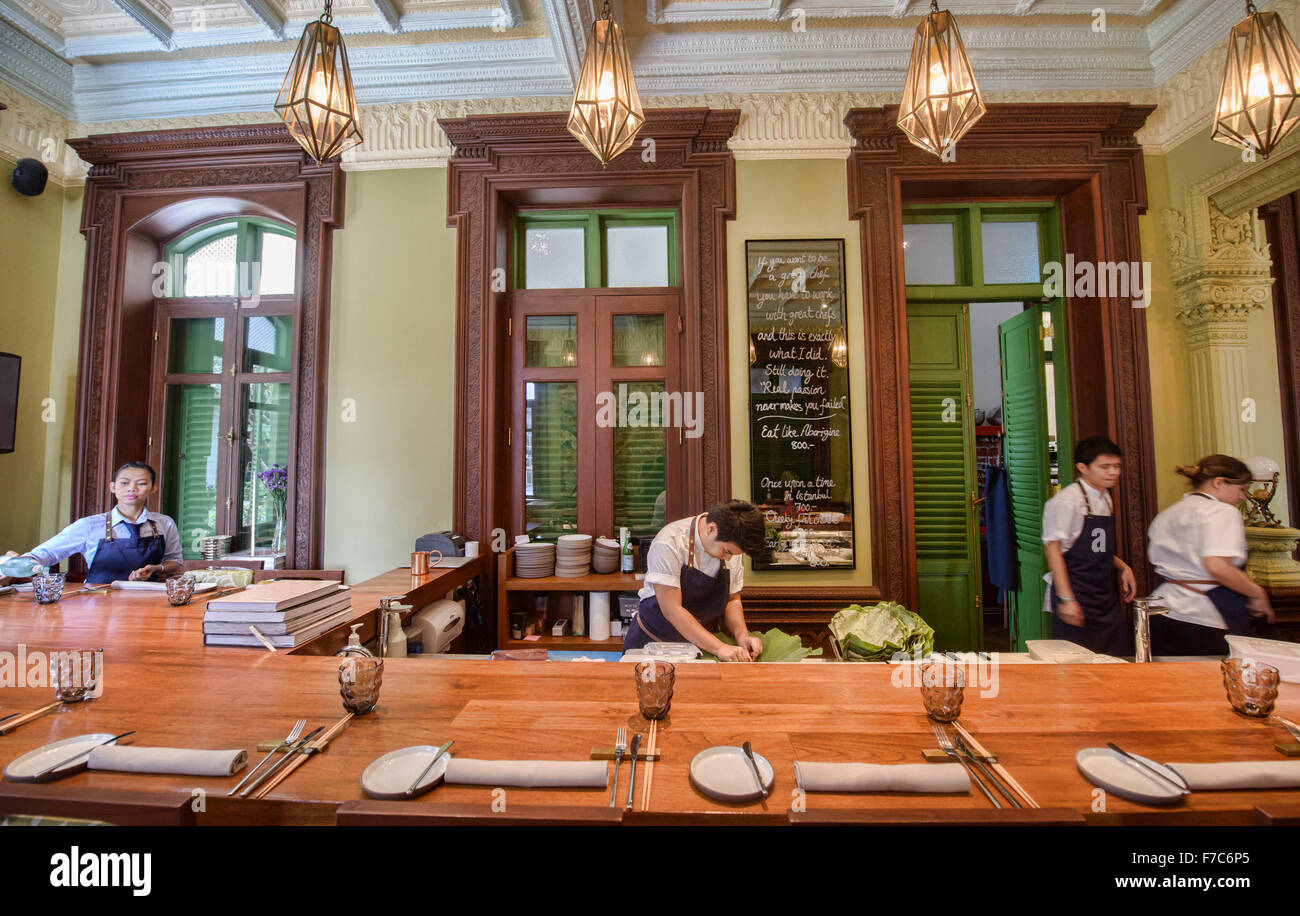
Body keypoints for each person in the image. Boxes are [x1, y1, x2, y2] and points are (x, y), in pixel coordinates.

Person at [1147, 455, 1274, 656]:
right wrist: (1257, 593)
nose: (1242, 497)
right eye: (1241, 489)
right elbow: (1216, 565)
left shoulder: (1169, 513)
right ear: (1218, 482)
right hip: (1203, 614)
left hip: (1161, 609)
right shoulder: (1221, 511)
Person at [623, 499, 766, 661]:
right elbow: (672, 609)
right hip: (654, 642)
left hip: (703, 646)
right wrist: (720, 647)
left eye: (733, 554)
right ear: (712, 528)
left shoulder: (731, 547)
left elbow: (732, 600)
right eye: (726, 551)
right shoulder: (669, 542)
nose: (728, 557)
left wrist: (742, 636)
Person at [1, 461, 183, 586]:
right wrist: (11, 566)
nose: (132, 489)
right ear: (112, 487)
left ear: (153, 488)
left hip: (148, 603)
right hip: (97, 603)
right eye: (124, 483)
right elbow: (46, 554)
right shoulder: (89, 526)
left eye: (141, 483)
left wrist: (157, 568)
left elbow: (175, 561)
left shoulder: (164, 524)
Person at [1041, 436, 1138, 655]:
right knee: (1078, 662)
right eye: (1105, 467)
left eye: (1116, 466)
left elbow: (1098, 546)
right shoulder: (1066, 501)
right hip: (1076, 590)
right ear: (1082, 467)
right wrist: (1067, 599)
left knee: (1116, 656)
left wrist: (1123, 567)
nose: (1113, 472)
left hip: (1102, 593)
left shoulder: (1105, 497)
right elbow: (1053, 549)